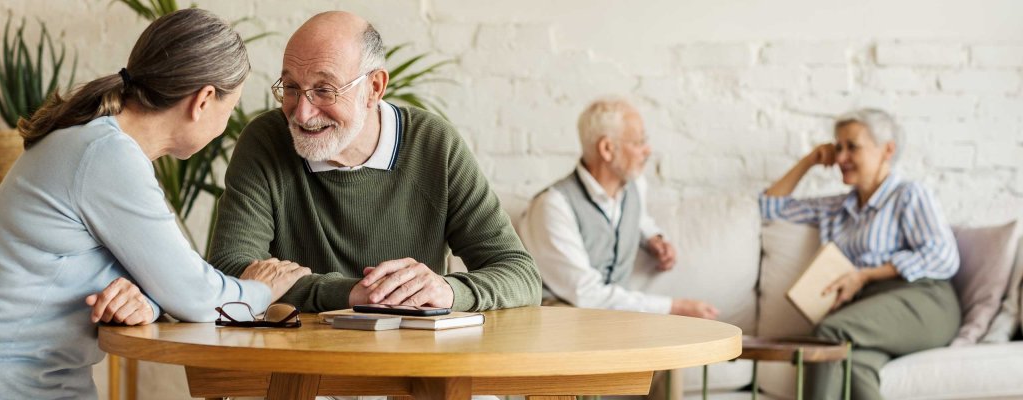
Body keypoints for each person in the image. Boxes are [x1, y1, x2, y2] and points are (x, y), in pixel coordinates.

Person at [0, 9, 308, 400]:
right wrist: (258, 290)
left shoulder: (97, 143)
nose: (226, 123)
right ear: (204, 100)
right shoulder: (106, 156)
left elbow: (162, 279)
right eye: (229, 107)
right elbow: (197, 296)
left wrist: (146, 301)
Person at [206, 11, 541, 313]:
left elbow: (520, 274)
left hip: (413, 359)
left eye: (324, 90)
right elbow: (232, 271)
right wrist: (353, 294)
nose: (302, 112)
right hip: (300, 361)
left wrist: (447, 291)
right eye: (291, 87)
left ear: (374, 88)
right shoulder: (266, 139)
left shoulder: (433, 143)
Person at [761, 108, 960, 399]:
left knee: (829, 334)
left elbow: (944, 256)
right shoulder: (837, 208)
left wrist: (865, 275)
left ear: (887, 150)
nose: (841, 158)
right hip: (870, 311)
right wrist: (809, 161)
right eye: (838, 147)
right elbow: (770, 208)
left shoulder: (908, 195)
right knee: (856, 365)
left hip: (924, 302)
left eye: (852, 147)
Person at [518, 97, 719, 319]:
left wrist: (653, 238)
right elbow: (586, 295)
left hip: (613, 322)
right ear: (607, 149)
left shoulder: (633, 187)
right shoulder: (552, 206)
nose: (648, 150)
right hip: (562, 324)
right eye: (639, 141)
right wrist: (675, 308)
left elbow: (637, 218)